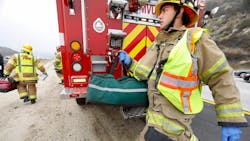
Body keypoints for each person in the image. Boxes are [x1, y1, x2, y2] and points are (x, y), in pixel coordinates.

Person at [119, 0, 248, 141]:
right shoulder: (159, 42)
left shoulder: (195, 40)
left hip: (172, 131)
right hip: (153, 124)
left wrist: (230, 120)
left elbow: (220, 76)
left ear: (180, 11)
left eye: (164, 10)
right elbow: (146, 73)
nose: (159, 16)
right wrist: (130, 63)